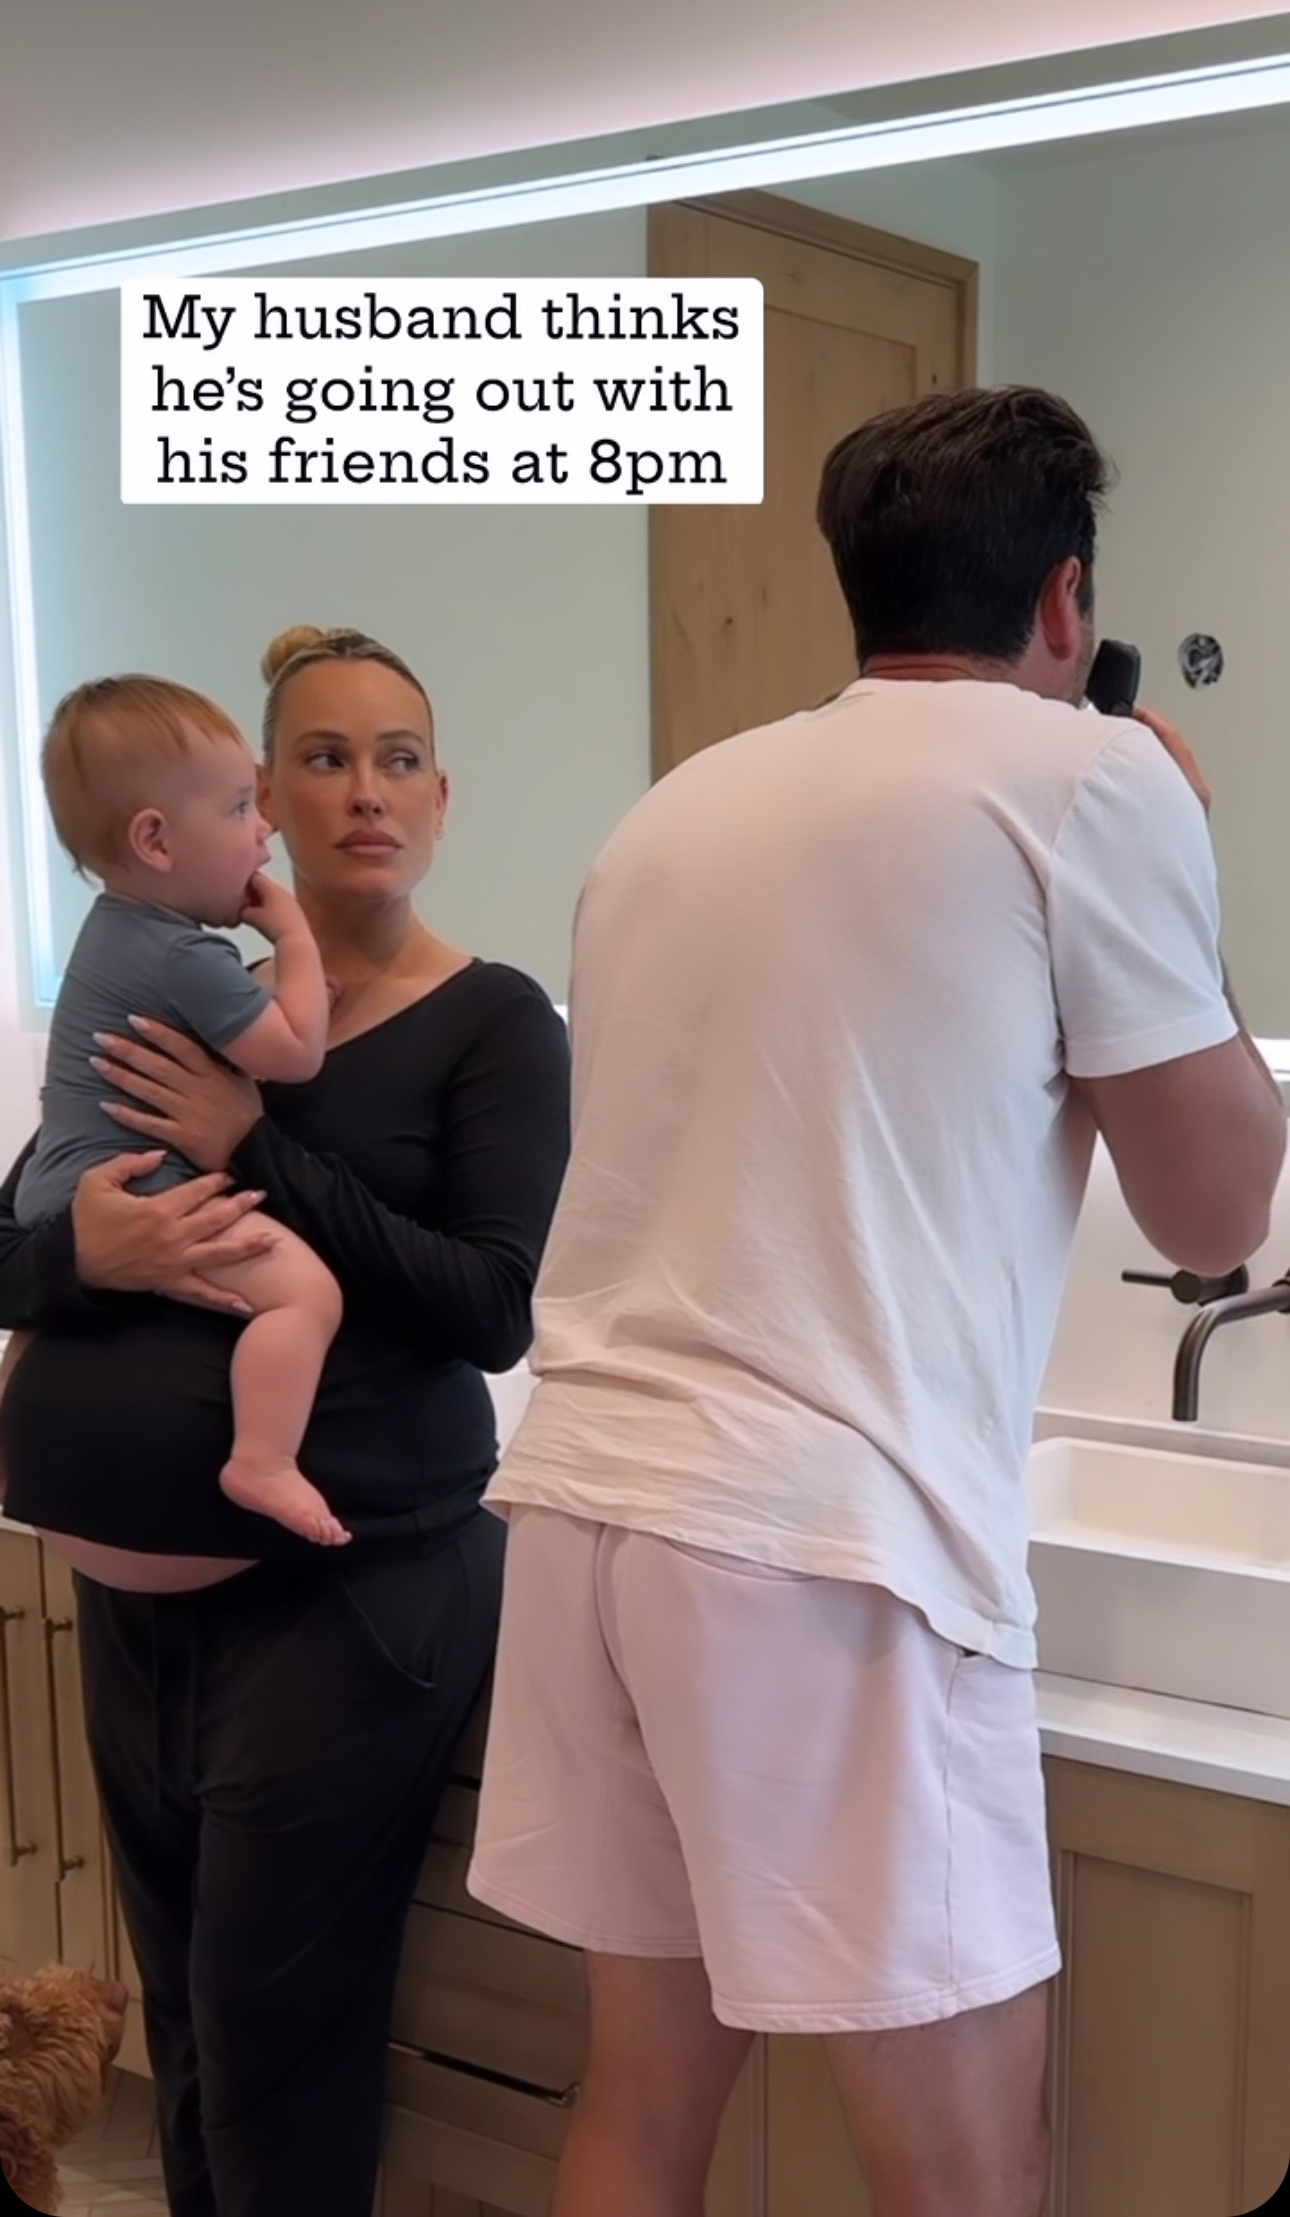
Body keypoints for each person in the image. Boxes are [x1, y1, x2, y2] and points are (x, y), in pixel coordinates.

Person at [465, 387, 1287, 2217]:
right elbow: (1217, 1207)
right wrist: (1180, 856)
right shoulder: (1094, 777)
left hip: (589, 1508)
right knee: (961, 2172)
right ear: (1063, 599)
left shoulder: (677, 804)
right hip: (821, 1543)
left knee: (640, 2103)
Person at [0, 623, 571, 2217]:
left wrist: (258, 1145)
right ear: (257, 800)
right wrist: (91, 1251)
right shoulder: (181, 990)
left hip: (351, 1597)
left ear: (442, 798)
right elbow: (15, 1241)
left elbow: (489, 1305)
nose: (364, 791)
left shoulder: (494, 1024)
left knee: (269, 2044)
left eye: (399, 759)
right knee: (184, 2024)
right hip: (140, 1611)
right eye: (323, 758)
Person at [1, 673, 348, 1553]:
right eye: (238, 808)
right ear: (154, 840)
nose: (263, 829)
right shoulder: (185, 957)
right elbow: (297, 1054)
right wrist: (295, 939)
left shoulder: (110, 934)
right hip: (138, 1189)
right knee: (306, 1295)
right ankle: (262, 1459)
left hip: (65, 1190)